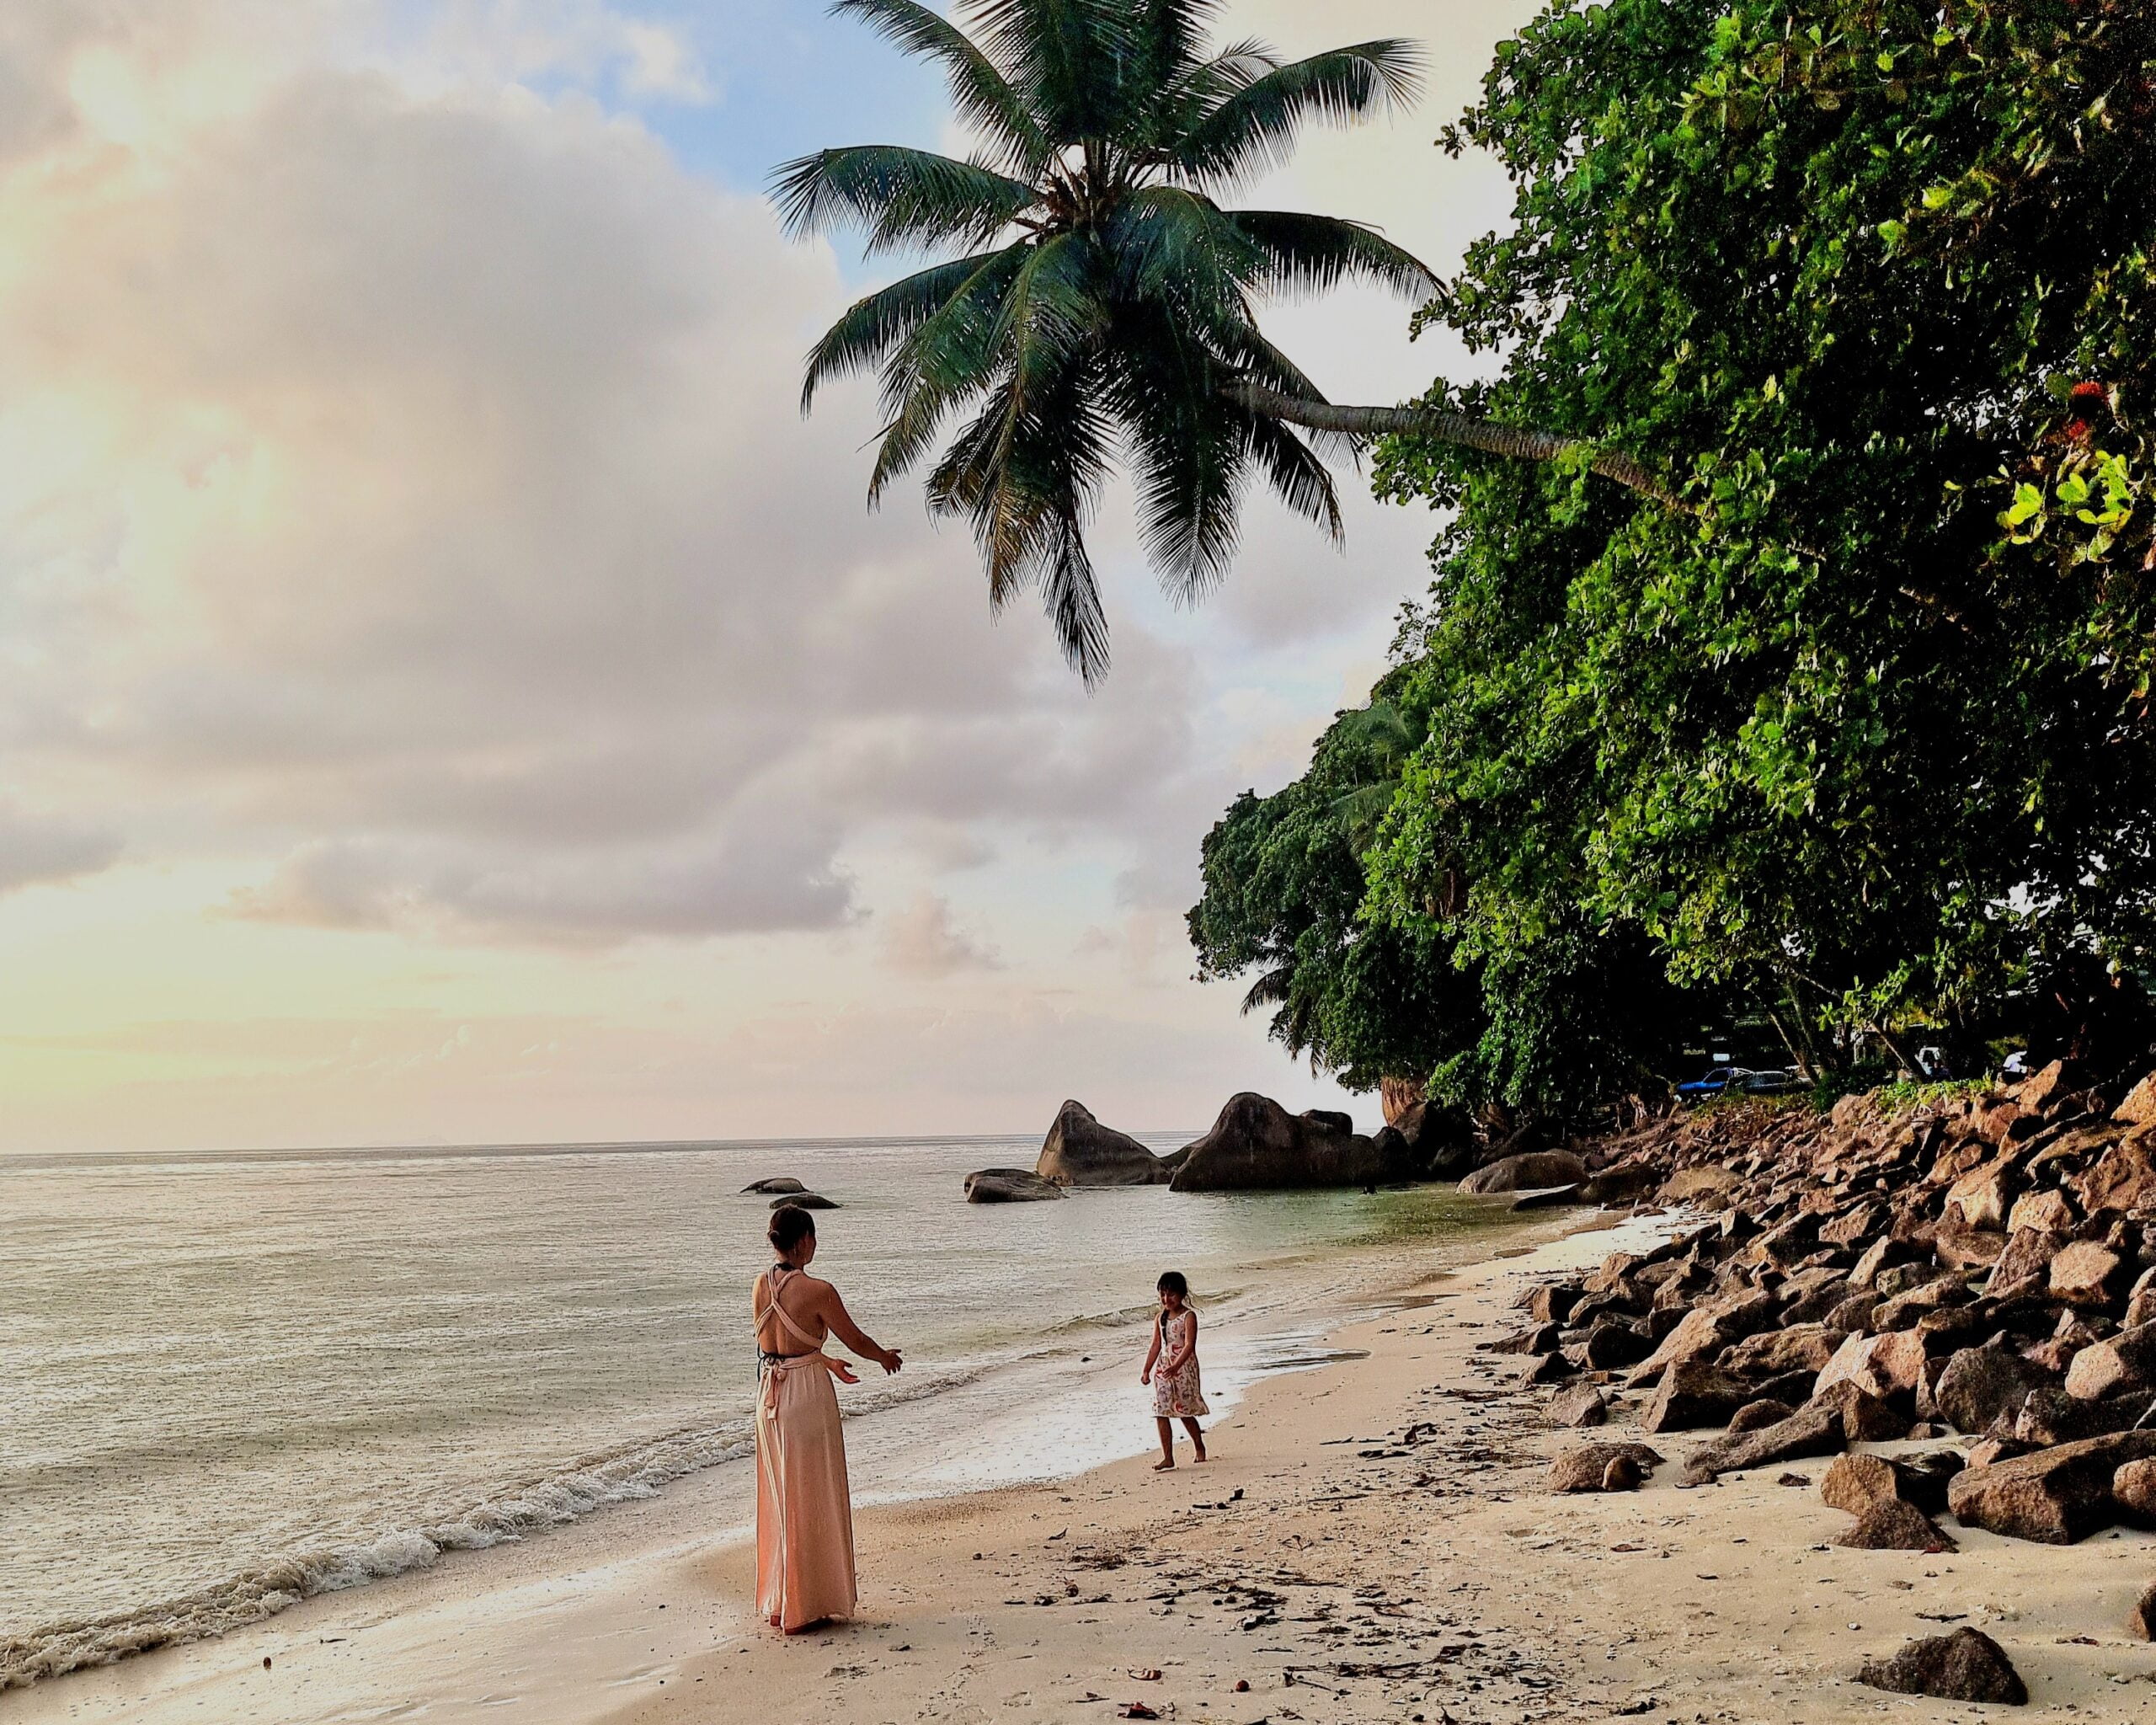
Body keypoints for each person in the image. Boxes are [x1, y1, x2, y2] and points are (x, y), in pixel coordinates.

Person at [753, 1204, 901, 1633]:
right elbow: (855, 1338)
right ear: (802, 1242)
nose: (815, 1246)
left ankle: (782, 1603)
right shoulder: (819, 1289)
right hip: (805, 1395)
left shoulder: (759, 1286)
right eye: (813, 1239)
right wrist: (884, 1357)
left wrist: (825, 1360)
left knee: (782, 1499)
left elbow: (776, 1345)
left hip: (768, 1394)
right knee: (813, 1495)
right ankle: (808, 1605)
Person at [1139, 1270, 1209, 1470]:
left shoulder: (1189, 1316)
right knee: (1161, 1410)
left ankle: (1199, 1445)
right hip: (1163, 1367)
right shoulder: (1160, 1318)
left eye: (1170, 1294)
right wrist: (1146, 1370)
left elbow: (1189, 1345)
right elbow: (1155, 1345)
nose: (1166, 1299)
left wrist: (1176, 1366)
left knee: (1184, 1410)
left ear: (1181, 1294)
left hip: (1184, 1368)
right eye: (1162, 1294)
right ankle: (1168, 1457)